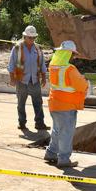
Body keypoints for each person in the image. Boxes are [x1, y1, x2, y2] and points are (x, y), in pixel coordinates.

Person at [45, 40, 89, 168]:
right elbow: (81, 86)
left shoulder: (53, 67)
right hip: (67, 106)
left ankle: (51, 153)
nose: (73, 57)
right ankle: (63, 159)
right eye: (73, 55)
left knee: (57, 130)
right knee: (66, 133)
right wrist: (85, 82)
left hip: (54, 104)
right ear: (69, 54)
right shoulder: (70, 69)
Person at [8, 25, 49, 131]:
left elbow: (42, 64)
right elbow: (11, 64)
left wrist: (44, 78)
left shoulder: (38, 48)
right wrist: (12, 79)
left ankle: (39, 123)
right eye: (30, 37)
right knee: (21, 104)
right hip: (21, 80)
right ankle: (22, 123)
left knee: (38, 103)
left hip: (34, 80)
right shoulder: (17, 48)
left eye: (33, 38)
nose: (32, 39)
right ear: (24, 36)